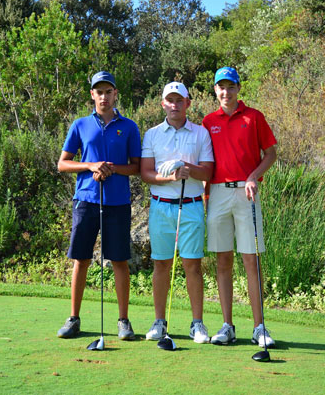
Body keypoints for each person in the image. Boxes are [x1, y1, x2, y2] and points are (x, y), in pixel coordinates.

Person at [56, 71, 141, 341]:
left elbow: (136, 167)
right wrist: (91, 165)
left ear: (115, 94)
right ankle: (73, 319)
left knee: (118, 261)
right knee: (81, 259)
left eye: (108, 91)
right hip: (86, 200)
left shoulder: (128, 126)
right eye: (99, 92)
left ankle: (124, 321)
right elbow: (63, 163)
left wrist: (112, 169)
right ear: (92, 94)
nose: (104, 96)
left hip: (117, 202)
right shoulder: (80, 125)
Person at [202, 67, 277, 348]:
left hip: (247, 194)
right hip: (218, 194)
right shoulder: (208, 121)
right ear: (215, 90)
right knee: (222, 261)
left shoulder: (254, 117)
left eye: (230, 86)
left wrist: (253, 176)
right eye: (220, 87)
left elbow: (271, 153)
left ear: (238, 88)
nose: (226, 92)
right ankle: (227, 326)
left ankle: (259, 327)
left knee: (251, 261)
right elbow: (206, 161)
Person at [140, 82, 214, 343]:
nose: (174, 105)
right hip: (161, 206)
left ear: (188, 103)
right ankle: (159, 322)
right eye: (170, 100)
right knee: (161, 264)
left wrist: (187, 169)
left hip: (192, 205)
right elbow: (145, 173)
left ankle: (197, 324)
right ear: (163, 104)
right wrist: (168, 177)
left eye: (179, 100)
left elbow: (208, 172)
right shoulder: (152, 134)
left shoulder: (201, 134)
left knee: (192, 265)